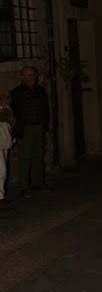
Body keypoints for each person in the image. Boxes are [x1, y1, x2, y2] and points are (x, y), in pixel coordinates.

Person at [10, 66, 51, 198]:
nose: (31, 77)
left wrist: (45, 124)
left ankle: (38, 183)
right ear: (22, 76)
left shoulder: (40, 90)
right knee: (25, 159)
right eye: (28, 75)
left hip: (39, 127)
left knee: (38, 157)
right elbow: (12, 113)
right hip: (25, 129)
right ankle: (24, 187)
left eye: (33, 75)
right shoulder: (16, 92)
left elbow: (45, 109)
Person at [0, 91, 16, 210]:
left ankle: (1, 196)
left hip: (5, 141)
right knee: (2, 170)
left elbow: (9, 124)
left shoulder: (7, 110)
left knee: (3, 169)